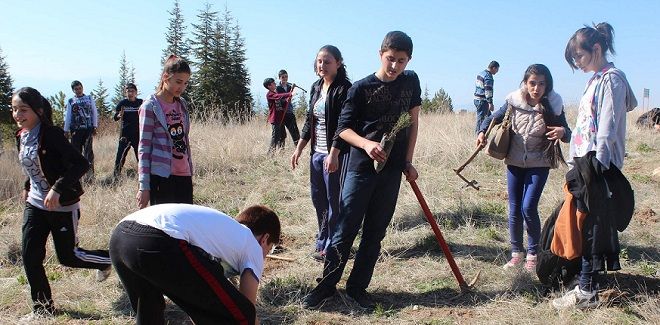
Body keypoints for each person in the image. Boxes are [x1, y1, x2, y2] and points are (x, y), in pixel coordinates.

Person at [303, 31, 421, 309]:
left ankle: (357, 288)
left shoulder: (411, 82)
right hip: (359, 169)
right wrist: (366, 145)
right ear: (380, 54)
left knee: (375, 231)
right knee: (345, 228)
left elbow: (413, 123)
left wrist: (407, 160)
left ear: (409, 60)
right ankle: (326, 286)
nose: (395, 66)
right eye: (390, 59)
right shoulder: (360, 88)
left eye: (401, 61)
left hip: (391, 171)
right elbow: (342, 129)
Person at [552, 22, 637, 310]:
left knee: (592, 225)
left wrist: (599, 162)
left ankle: (587, 292)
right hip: (586, 159)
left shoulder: (611, 79)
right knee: (583, 222)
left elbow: (609, 124)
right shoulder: (597, 78)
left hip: (597, 162)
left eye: (579, 56)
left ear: (596, 49)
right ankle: (585, 283)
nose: (577, 63)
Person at [12, 87, 112, 320]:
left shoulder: (51, 134)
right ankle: (43, 309)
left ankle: (109, 259)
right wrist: (28, 188)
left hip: (62, 206)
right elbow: (34, 166)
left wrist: (57, 189)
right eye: (14, 110)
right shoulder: (21, 136)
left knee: (69, 257)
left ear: (38, 110)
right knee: (30, 256)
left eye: (23, 110)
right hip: (35, 205)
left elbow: (81, 164)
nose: (17, 115)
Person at [109, 203, 281, 324]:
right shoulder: (251, 244)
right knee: (242, 315)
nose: (266, 255)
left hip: (120, 238)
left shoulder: (219, 233)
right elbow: (247, 310)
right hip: (158, 238)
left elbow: (198, 301)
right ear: (265, 238)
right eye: (270, 248)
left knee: (149, 312)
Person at [476, 64, 571, 272]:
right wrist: (482, 131)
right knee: (514, 208)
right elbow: (494, 118)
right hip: (514, 161)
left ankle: (533, 254)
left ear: (548, 85)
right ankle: (516, 254)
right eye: (532, 83)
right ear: (525, 83)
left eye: (541, 83)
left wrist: (563, 132)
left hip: (540, 163)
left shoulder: (553, 105)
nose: (536, 88)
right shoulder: (514, 101)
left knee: (528, 207)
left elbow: (569, 133)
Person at [291, 45, 352, 260]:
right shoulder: (316, 87)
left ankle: (332, 244)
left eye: (327, 62)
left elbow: (344, 124)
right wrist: (299, 148)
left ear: (338, 63)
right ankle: (322, 238)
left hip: (335, 154)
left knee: (334, 200)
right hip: (316, 155)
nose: (322, 65)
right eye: (319, 61)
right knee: (318, 199)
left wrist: (334, 153)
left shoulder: (345, 89)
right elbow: (310, 120)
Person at [136, 55, 193, 209]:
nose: (181, 87)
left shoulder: (182, 105)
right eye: (178, 82)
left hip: (184, 173)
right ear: (165, 78)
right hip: (161, 176)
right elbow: (144, 148)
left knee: (186, 223)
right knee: (165, 226)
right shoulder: (150, 106)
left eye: (186, 83)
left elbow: (184, 139)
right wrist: (144, 186)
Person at [64, 80, 98, 181]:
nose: (78, 90)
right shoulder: (71, 101)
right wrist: (65, 130)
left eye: (80, 88)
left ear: (82, 87)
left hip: (88, 129)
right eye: (76, 89)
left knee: (88, 153)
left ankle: (90, 175)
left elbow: (94, 112)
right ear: (73, 90)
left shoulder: (89, 98)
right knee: (76, 153)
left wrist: (95, 125)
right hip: (75, 130)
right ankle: (77, 176)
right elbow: (68, 116)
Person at [112, 83, 143, 179]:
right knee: (120, 155)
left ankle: (143, 174)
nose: (130, 93)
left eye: (132, 91)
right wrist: (118, 115)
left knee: (140, 156)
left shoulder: (141, 103)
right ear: (125, 92)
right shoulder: (122, 103)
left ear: (136, 92)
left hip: (138, 134)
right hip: (125, 134)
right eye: (128, 91)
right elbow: (115, 117)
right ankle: (116, 176)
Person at [264, 77, 294, 153]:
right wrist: (289, 94)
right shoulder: (270, 94)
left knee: (283, 135)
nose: (275, 84)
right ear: (269, 86)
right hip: (275, 119)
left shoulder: (274, 93)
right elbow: (278, 96)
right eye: (273, 83)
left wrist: (287, 100)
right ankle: (270, 154)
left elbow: (281, 102)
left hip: (280, 118)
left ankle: (281, 151)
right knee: (275, 137)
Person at [277, 69, 301, 147]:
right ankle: (281, 150)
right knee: (281, 134)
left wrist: (292, 91)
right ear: (280, 78)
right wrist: (285, 99)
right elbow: (278, 99)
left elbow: (292, 95)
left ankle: (298, 148)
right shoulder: (277, 88)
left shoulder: (289, 87)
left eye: (286, 77)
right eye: (283, 77)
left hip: (289, 112)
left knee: (294, 131)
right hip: (280, 113)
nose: (285, 78)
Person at [474, 61, 500, 133]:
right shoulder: (488, 77)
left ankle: (484, 134)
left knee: (489, 118)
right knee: (482, 119)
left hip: (477, 99)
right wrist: (490, 103)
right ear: (494, 68)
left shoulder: (481, 73)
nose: (497, 72)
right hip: (482, 100)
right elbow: (488, 91)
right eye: (497, 69)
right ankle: (478, 135)